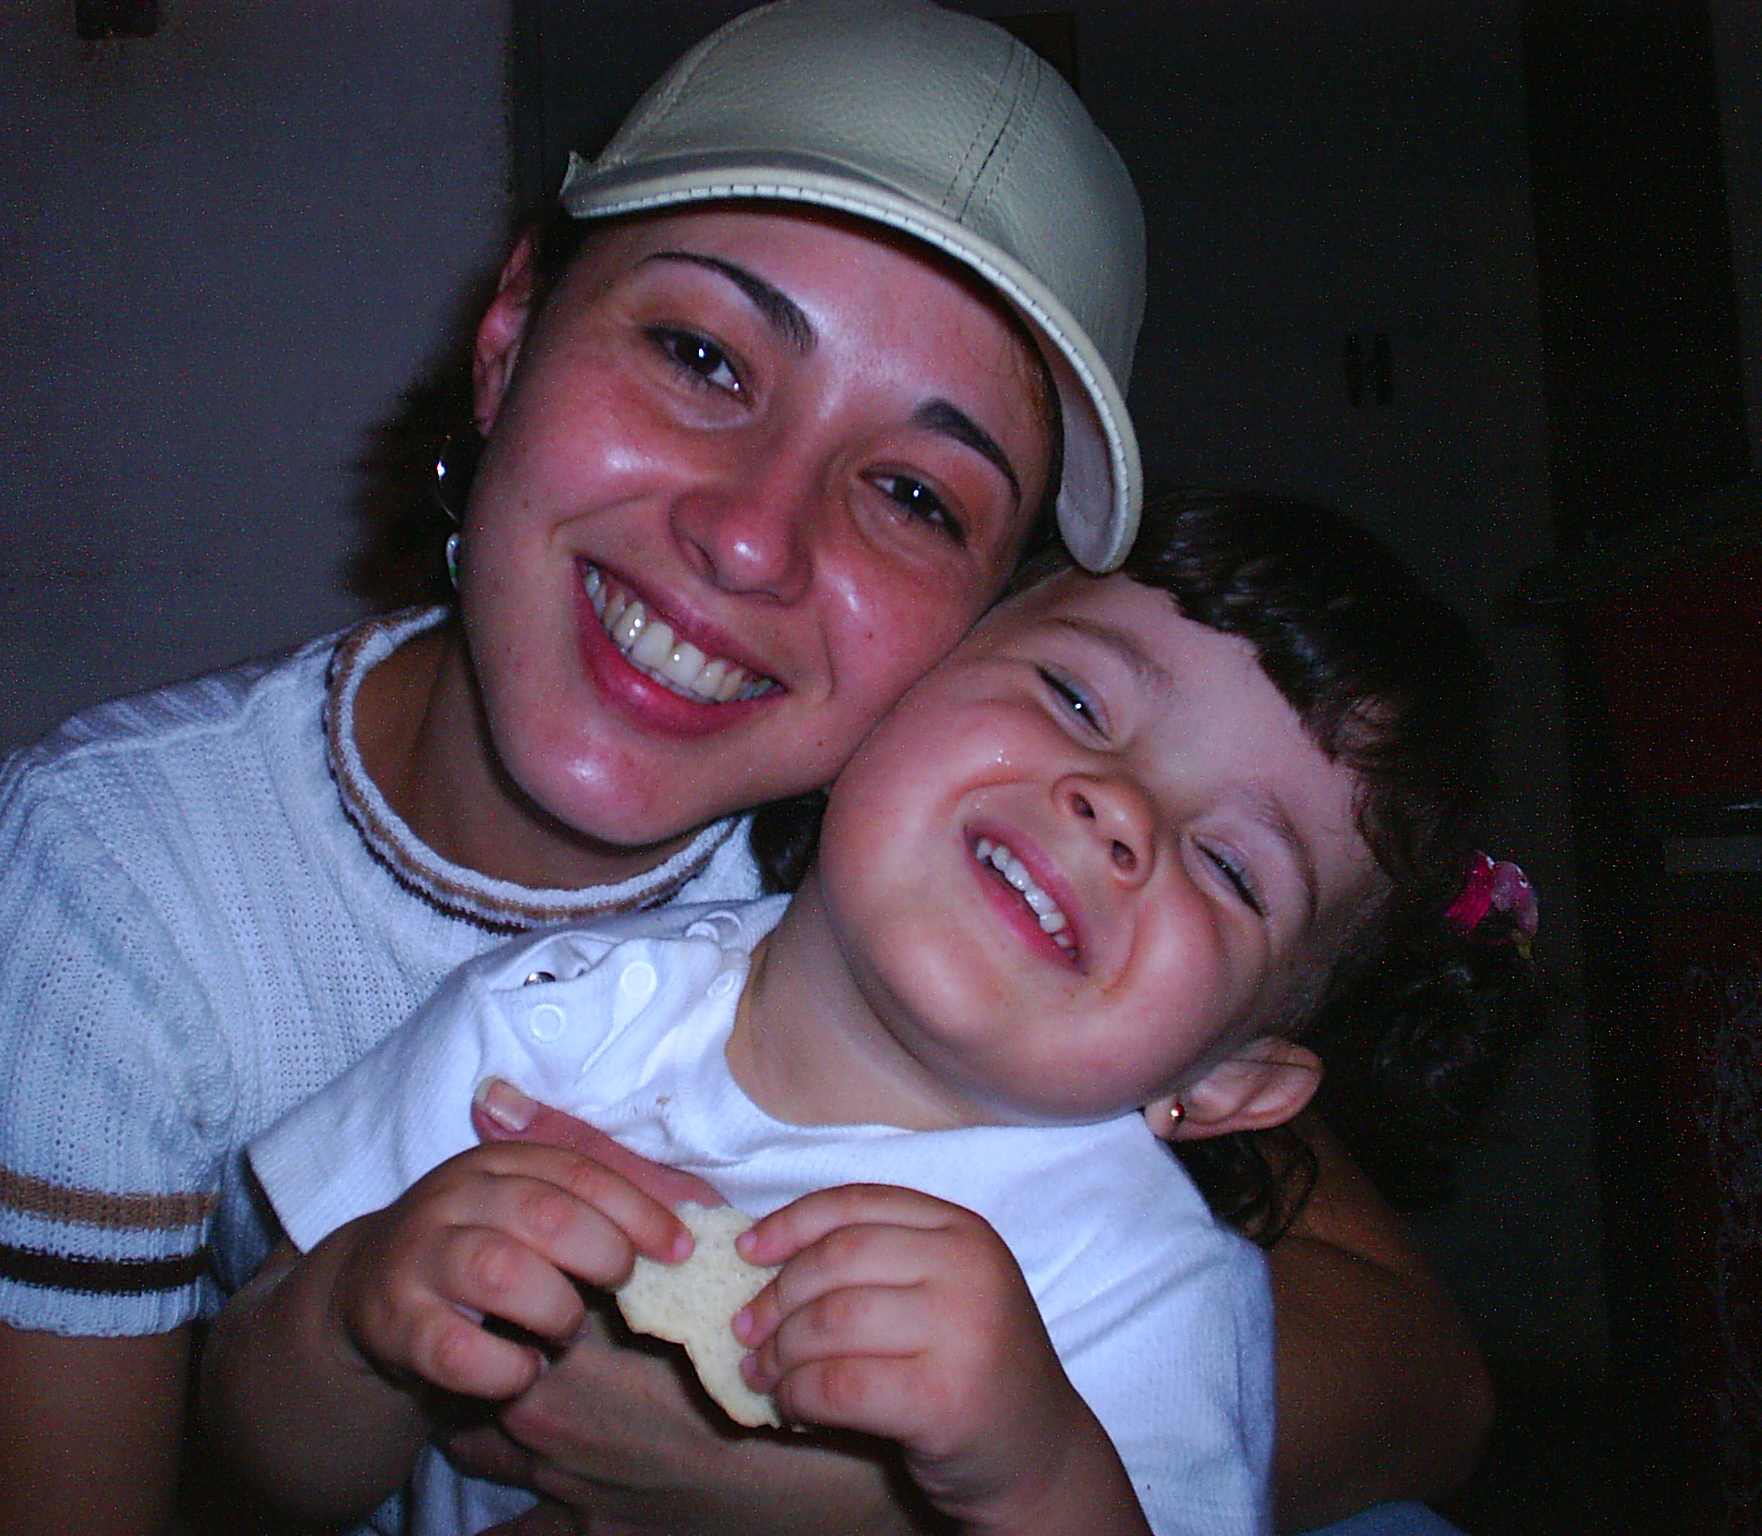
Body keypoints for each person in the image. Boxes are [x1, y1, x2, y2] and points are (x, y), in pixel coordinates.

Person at [0, 3, 1495, 1532]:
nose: (750, 538)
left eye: (917, 495)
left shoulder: (1003, 931)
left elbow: (1416, 1375)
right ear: (509, 335)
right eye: (700, 355)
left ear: (974, 613)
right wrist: (375, 1315)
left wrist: (881, 1491)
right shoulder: (408, 962)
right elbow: (248, 1439)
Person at [206, 488, 1546, 1536]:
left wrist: (1039, 1474)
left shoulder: (1145, 1288)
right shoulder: (551, 1019)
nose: (1120, 811)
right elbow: (263, 1463)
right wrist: (362, 1314)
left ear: (1236, 1079)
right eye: (1077, 699)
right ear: (900, 691)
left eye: (1233, 868)